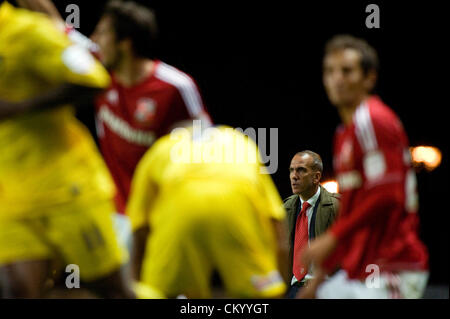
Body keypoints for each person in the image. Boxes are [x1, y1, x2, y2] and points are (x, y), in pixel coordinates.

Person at [17, 0, 213, 249]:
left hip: (165, 212)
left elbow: (206, 151)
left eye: (102, 33)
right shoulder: (98, 67)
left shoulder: (175, 87)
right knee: (124, 286)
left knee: (164, 288)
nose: (94, 39)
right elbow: (53, 21)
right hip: (119, 211)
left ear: (125, 43)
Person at [0, 1, 134, 298]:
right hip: (11, 193)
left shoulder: (29, 32)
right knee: (17, 290)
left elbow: (93, 76)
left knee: (111, 289)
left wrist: (20, 108)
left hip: (67, 187)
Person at [298, 35, 429, 299]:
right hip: (362, 268)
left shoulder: (372, 119)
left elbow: (388, 195)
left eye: (347, 71)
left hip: (393, 266)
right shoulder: (345, 134)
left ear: (369, 78)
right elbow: (351, 211)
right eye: (329, 71)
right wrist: (319, 277)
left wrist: (332, 238)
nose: (337, 79)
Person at [126, 123, 289, 298]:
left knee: (160, 294)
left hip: (181, 209)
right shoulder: (240, 140)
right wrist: (280, 285)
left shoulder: (161, 147)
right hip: (235, 207)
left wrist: (135, 285)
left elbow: (139, 227)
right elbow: (276, 219)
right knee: (262, 297)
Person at [284, 151, 339, 298]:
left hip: (326, 287)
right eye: (291, 170)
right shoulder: (286, 209)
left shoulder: (336, 207)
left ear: (316, 177)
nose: (294, 176)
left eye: (301, 170)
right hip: (293, 288)